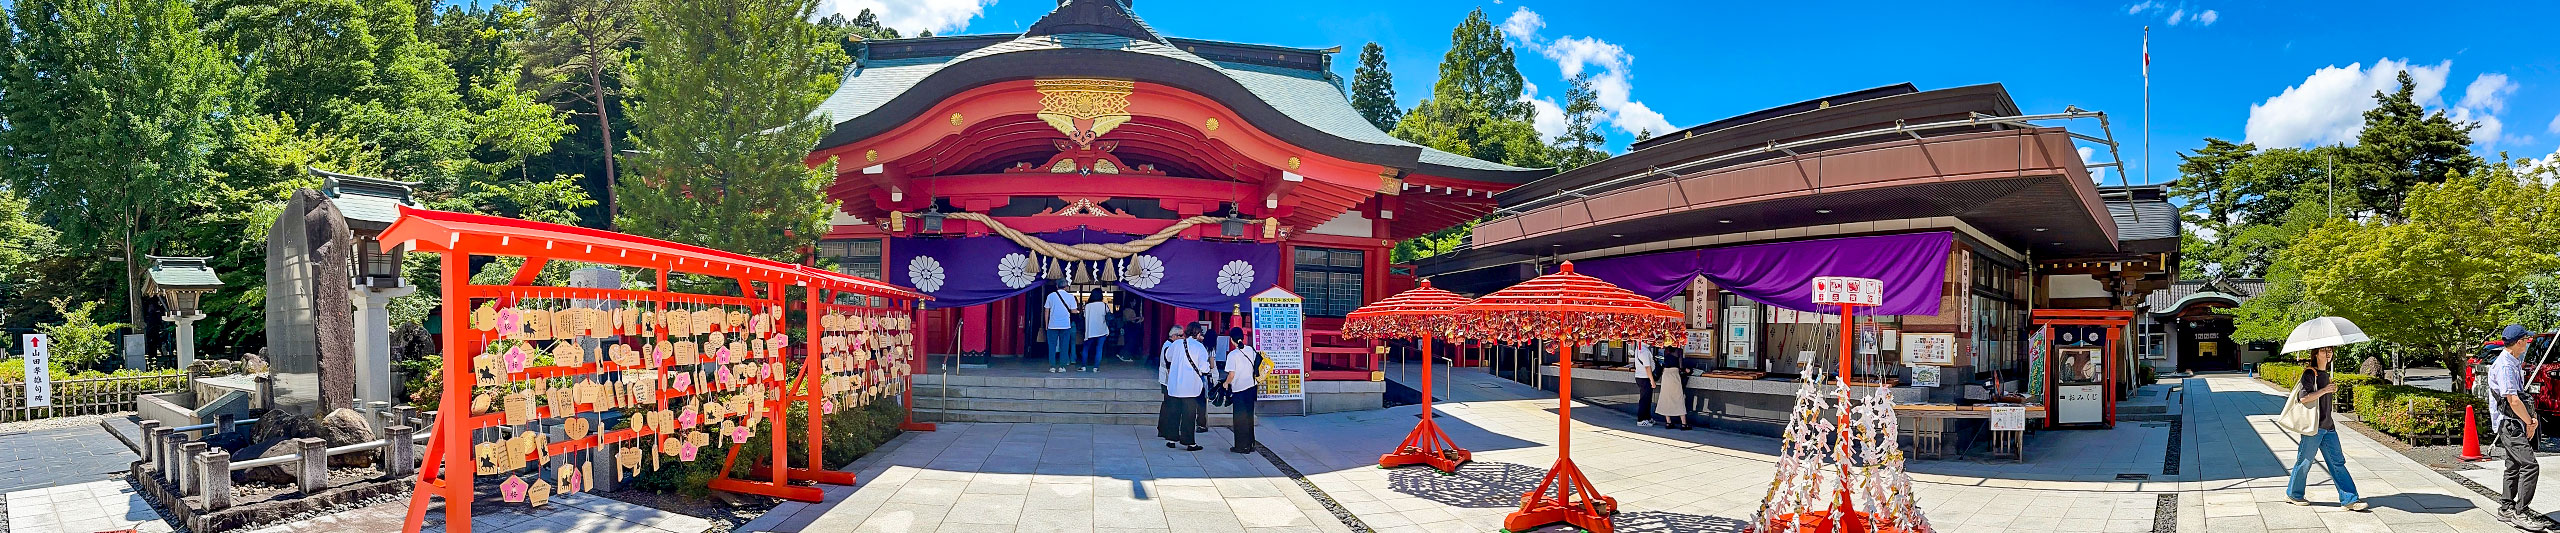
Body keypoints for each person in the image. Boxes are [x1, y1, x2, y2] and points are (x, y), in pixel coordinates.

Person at [2284, 344, 2367, 511]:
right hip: (2314, 427)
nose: (2328, 353)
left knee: (2338, 463)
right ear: (2316, 354)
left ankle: (2349, 499)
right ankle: (2294, 494)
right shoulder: (2309, 373)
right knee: (2304, 462)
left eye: (2330, 350)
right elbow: (2304, 398)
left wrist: (2329, 388)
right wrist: (2324, 390)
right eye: (2324, 350)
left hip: (2328, 427)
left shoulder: (2326, 374)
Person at [2492, 325, 2555, 530]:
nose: (2528, 342)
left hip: (2514, 421)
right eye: (2526, 339)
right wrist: (2529, 422)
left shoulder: (2512, 361)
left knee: (2514, 465)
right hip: (2510, 423)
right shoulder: (2505, 366)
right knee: (2530, 465)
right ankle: (2521, 512)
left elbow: (2521, 397)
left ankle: (2506, 508)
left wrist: (2532, 418)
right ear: (2519, 342)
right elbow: (2513, 400)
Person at [1161, 325, 1211, 451]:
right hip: (1190, 386)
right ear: (1198, 334)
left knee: (1174, 413)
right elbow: (1204, 367)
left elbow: (1168, 357)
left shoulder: (1176, 344)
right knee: (1189, 416)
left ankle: (1171, 439)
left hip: (1175, 385)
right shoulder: (1200, 347)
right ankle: (1189, 442)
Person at [1222, 327, 1261, 453]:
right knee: (1249, 416)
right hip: (1251, 387)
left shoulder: (1233, 355)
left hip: (1239, 389)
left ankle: (1241, 446)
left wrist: (1226, 384)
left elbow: (1231, 374)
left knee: (1240, 419)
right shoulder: (1250, 349)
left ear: (1231, 340)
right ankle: (1250, 443)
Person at [1157, 326, 1188, 444]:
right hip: (1168, 380)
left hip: (1167, 379)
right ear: (1174, 336)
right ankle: (1167, 430)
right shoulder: (1169, 347)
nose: (1182, 337)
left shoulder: (1170, 345)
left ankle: (1162, 429)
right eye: (1180, 335)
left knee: (1167, 404)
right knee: (1170, 406)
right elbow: (1169, 366)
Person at [1043, 281, 1076, 373]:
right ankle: (1062, 367)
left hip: (1052, 324)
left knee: (1052, 346)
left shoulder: (1050, 296)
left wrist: (1046, 325)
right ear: (1066, 287)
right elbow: (1073, 311)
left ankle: (1052, 366)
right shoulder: (1071, 297)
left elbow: (1046, 311)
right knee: (1064, 346)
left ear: (1057, 286)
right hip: (1065, 325)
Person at [1655, 346, 1691, 430]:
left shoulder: (1666, 350)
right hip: (1674, 375)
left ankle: (1668, 422)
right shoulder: (1679, 351)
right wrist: (1688, 370)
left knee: (1666, 398)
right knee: (1678, 398)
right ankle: (1684, 424)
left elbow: (1662, 363)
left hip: (1666, 375)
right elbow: (1681, 366)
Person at [1080, 289, 1111, 372]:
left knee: (1086, 348)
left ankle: (1083, 366)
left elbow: (1084, 316)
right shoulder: (1104, 305)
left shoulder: (1088, 306)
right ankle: (1096, 367)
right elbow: (1108, 315)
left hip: (1090, 330)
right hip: (1102, 330)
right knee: (1099, 348)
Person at [1630, 341, 1658, 427]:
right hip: (1644, 378)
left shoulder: (1639, 348)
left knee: (1647, 399)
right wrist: (1652, 380)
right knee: (1644, 399)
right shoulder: (1644, 351)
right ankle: (1641, 419)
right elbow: (1647, 367)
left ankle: (1647, 417)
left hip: (1641, 377)